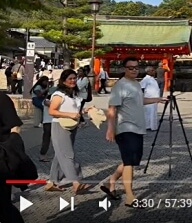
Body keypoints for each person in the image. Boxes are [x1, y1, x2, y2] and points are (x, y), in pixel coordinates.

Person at [102, 57, 166, 207]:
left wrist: (157, 99)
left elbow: (140, 100)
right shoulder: (120, 86)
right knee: (130, 161)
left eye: (136, 67)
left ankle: (110, 181)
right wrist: (110, 129)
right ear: (125, 69)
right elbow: (112, 108)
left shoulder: (136, 84)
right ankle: (130, 197)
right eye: (131, 68)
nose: (134, 70)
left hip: (138, 128)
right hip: (124, 128)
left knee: (130, 160)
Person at [45, 69, 93, 194]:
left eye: (74, 78)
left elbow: (74, 112)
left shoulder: (73, 94)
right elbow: (52, 111)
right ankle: (76, 182)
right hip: (60, 126)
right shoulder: (58, 94)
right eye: (70, 78)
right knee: (68, 155)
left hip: (72, 126)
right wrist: (70, 115)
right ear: (63, 80)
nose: (73, 81)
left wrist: (85, 111)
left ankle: (52, 181)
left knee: (60, 154)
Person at [0, 91, 29, 223]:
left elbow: (15, 128)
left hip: (1, 162)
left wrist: (10, 154)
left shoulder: (1, 99)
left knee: (3, 207)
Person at [140, 66, 161, 131]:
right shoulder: (145, 79)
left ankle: (152, 126)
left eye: (154, 70)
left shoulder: (153, 79)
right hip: (148, 99)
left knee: (153, 113)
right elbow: (141, 88)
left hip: (154, 99)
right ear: (148, 72)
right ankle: (147, 126)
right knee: (148, 113)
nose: (154, 71)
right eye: (152, 70)